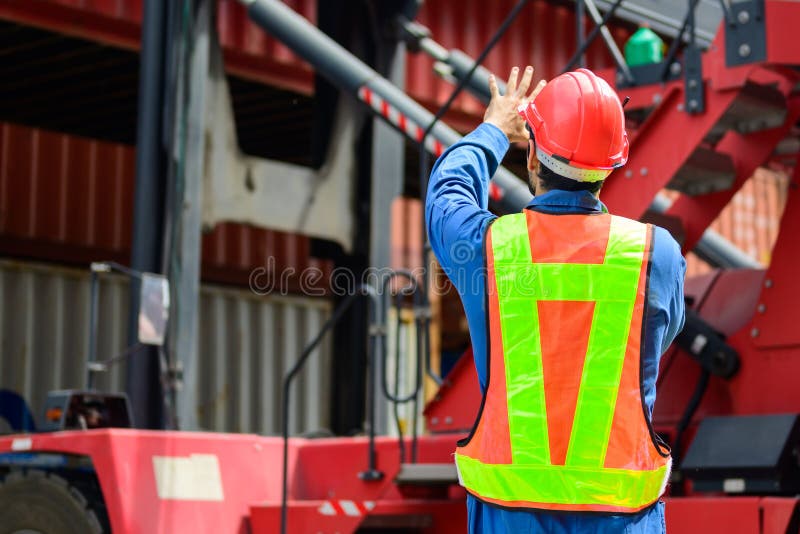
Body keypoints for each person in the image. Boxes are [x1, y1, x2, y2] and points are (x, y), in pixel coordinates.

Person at [425, 66, 686, 533]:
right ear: (610, 166)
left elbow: (447, 195)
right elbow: (653, 342)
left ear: (531, 158)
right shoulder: (656, 254)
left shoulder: (488, 249)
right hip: (622, 519)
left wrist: (494, 130)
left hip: (508, 518)